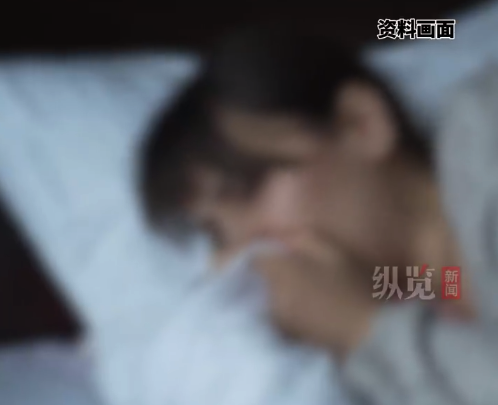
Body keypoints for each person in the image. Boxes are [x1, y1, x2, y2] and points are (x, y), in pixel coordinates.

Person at [140, 27, 498, 404]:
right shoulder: (418, 286)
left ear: (361, 123)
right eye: (218, 234)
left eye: (247, 188)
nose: (246, 251)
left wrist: (363, 328)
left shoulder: (483, 133)